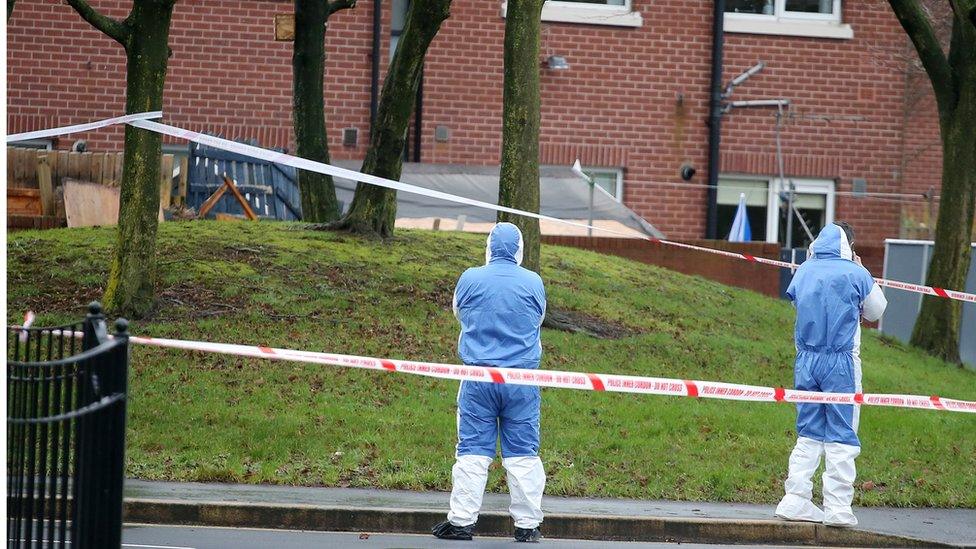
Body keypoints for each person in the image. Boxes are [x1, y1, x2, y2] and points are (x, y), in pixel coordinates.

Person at [432, 222, 547, 543]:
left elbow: (459, 314)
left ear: (489, 247)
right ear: (519, 250)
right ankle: (527, 526)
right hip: (521, 383)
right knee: (523, 453)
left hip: (477, 381)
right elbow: (538, 320)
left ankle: (461, 522)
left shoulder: (469, 279)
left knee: (471, 452)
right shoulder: (534, 282)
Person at [775, 222, 887, 527]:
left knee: (809, 430)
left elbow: (798, 301)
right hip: (842, 363)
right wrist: (862, 274)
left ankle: (795, 499)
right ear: (847, 247)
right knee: (842, 432)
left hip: (806, 360)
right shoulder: (856, 273)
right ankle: (837, 507)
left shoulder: (805, 270)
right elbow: (876, 311)